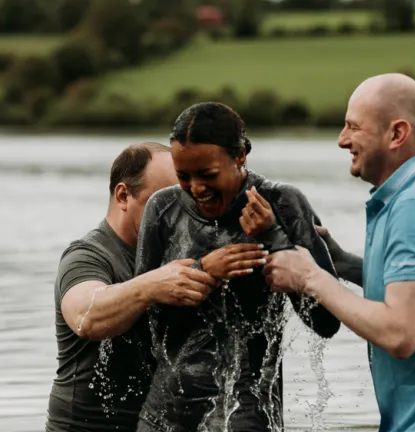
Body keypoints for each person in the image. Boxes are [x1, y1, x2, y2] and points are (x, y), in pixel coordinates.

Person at [263, 73, 415, 432]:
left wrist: (309, 277)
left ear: (397, 134)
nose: (341, 140)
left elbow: (400, 334)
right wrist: (343, 263)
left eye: (352, 127)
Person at [133, 102, 342, 432]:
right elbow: (146, 326)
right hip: (166, 415)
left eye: (208, 175)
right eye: (183, 176)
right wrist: (203, 271)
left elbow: (327, 322)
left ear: (241, 155)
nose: (197, 188)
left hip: (248, 414)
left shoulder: (284, 204)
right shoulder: (163, 209)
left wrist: (275, 239)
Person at [46, 142, 224, 431]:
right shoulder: (88, 255)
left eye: (185, 204)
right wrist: (150, 287)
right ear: (123, 195)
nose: (179, 216)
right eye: (163, 202)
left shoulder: (180, 251)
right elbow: (85, 315)